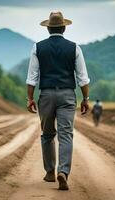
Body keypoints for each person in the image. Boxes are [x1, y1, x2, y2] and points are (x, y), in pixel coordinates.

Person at [26, 11, 90, 190]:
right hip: (67, 95)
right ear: (63, 28)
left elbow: (32, 77)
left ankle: (49, 172)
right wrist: (85, 98)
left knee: (47, 135)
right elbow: (83, 78)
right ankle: (63, 171)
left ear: (48, 29)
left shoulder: (37, 47)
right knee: (66, 135)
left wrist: (30, 98)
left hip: (46, 95)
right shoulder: (75, 48)